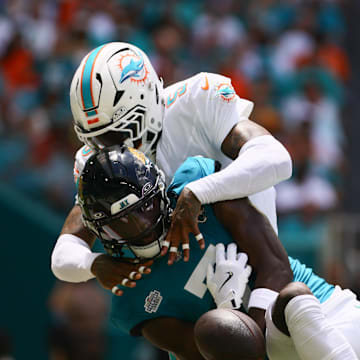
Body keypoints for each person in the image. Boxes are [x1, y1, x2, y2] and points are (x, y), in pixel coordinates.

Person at [65, 145, 360, 359]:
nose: (144, 224)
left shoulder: (196, 188)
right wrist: (228, 311)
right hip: (270, 353)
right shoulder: (130, 295)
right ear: (102, 233)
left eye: (147, 205)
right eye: (124, 223)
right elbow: (200, 352)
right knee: (214, 328)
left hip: (324, 313)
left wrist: (242, 318)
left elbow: (275, 264)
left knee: (293, 299)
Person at [51, 42, 292, 293]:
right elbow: (63, 253)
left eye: (115, 134)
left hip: (258, 268)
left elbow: (275, 157)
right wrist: (94, 263)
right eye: (96, 139)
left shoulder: (195, 102)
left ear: (148, 100)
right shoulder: (96, 159)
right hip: (188, 290)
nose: (108, 148)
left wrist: (197, 193)